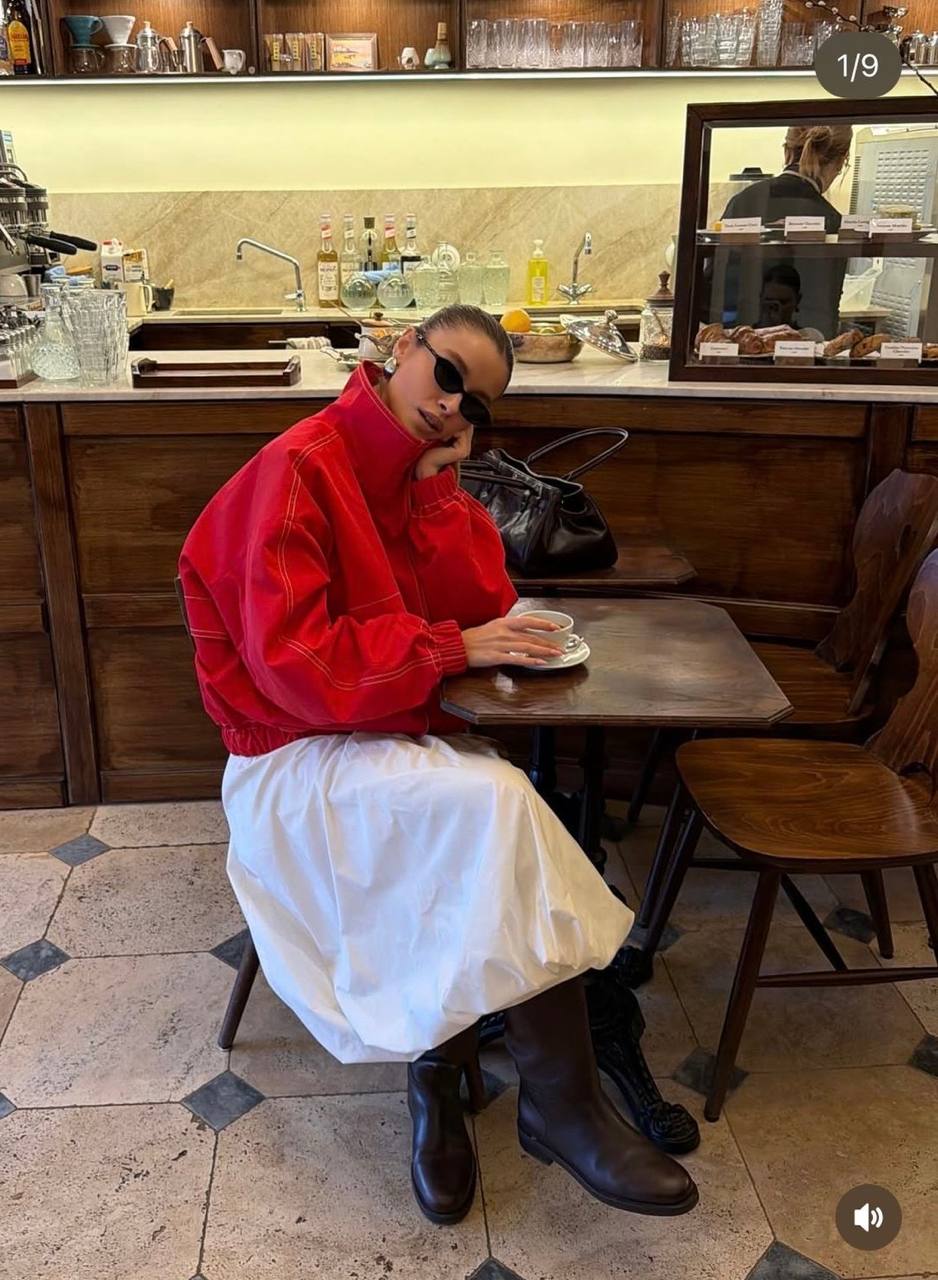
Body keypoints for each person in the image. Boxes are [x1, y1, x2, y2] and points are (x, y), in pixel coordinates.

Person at [178, 304, 698, 1225]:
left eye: (479, 406)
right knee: (494, 804)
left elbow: (487, 607)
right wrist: (446, 649)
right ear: (403, 347)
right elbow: (300, 671)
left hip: (391, 731)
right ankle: (555, 1105)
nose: (455, 406)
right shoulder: (299, 469)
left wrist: (436, 497)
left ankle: (449, 1082)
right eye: (448, 375)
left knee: (478, 810)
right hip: (296, 756)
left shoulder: (416, 472)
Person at [712, 123, 853, 338]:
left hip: (737, 342)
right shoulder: (831, 219)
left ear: (786, 151)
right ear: (841, 161)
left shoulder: (743, 201)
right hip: (803, 347)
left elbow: (715, 284)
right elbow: (824, 308)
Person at [756, 264, 824, 342]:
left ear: (797, 300)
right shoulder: (746, 337)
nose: (775, 308)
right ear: (761, 298)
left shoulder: (806, 338)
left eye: (783, 302)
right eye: (769, 300)